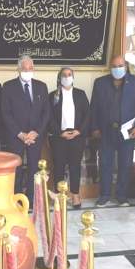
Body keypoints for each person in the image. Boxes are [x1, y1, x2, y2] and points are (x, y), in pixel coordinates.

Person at [90, 55, 135, 207]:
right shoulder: (100, 83)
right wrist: (94, 127)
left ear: (126, 67)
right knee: (105, 164)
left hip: (128, 132)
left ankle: (122, 196)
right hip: (106, 131)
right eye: (114, 66)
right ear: (110, 67)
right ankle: (105, 195)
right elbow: (94, 107)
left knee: (125, 165)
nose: (117, 69)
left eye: (120, 66)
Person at [1, 55, 50, 203]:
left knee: (34, 168)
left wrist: (36, 132)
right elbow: (5, 113)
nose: (27, 71)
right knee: (15, 168)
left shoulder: (41, 86)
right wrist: (20, 133)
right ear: (18, 69)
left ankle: (32, 199)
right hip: (16, 136)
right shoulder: (8, 86)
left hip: (35, 136)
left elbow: (46, 112)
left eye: (30, 68)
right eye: (24, 68)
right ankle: (16, 199)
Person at [48, 67, 90, 209]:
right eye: (64, 75)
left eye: (69, 74)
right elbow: (49, 117)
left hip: (76, 135)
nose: (67, 77)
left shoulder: (80, 94)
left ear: (73, 77)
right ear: (59, 78)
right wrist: (59, 132)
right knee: (58, 166)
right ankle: (60, 195)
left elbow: (87, 115)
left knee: (75, 166)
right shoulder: (53, 96)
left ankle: (75, 194)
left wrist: (79, 131)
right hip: (59, 136)